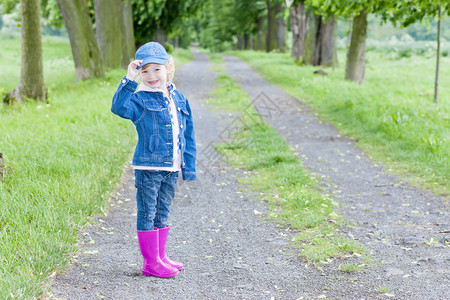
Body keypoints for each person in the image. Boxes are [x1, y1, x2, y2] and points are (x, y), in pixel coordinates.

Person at [111, 42, 196, 278]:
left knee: (163, 211)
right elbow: (118, 107)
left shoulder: (178, 98)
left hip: (172, 167)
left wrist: (188, 168)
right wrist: (129, 79)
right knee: (147, 212)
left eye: (156, 69)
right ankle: (150, 263)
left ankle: (160, 256)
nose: (151, 76)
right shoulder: (139, 100)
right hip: (149, 167)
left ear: (168, 68)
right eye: (144, 71)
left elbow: (188, 134)